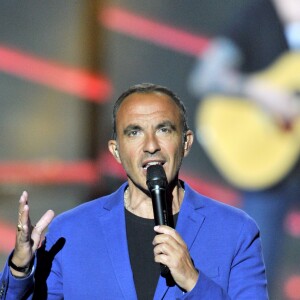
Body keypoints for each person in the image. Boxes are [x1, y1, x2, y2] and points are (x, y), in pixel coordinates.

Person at [0, 83, 268, 299]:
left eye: (164, 129)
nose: (151, 145)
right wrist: (20, 268)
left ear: (185, 143)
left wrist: (193, 281)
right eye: (134, 132)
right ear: (116, 151)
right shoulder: (70, 232)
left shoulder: (236, 231)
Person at [188, 0, 300, 295]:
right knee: (254, 275)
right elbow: (204, 77)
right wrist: (257, 91)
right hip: (266, 170)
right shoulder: (257, 15)